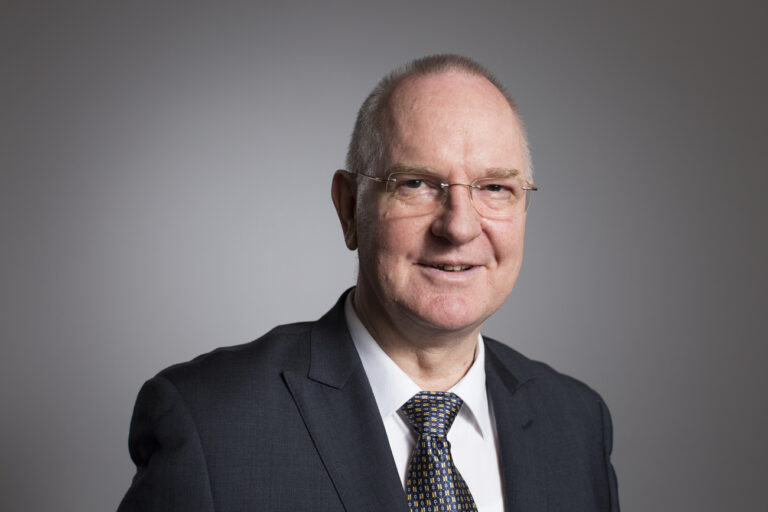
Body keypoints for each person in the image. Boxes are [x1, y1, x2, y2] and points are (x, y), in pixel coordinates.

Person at [118, 54, 619, 512]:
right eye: (417, 183)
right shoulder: (209, 424)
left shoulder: (576, 424)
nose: (460, 226)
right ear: (348, 208)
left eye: (495, 188)